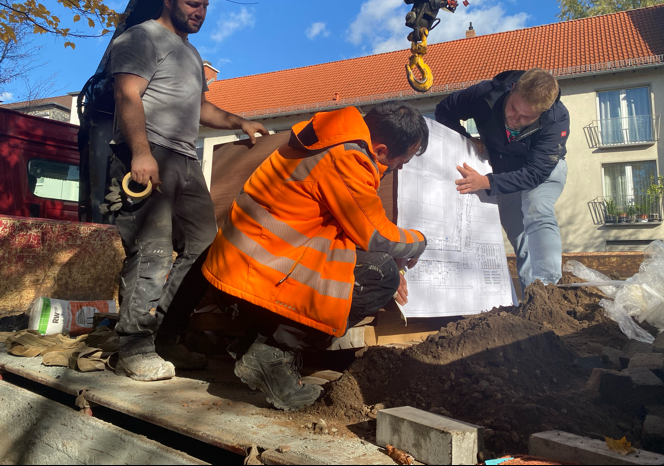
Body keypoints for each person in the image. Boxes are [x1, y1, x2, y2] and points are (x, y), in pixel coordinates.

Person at [200, 101, 429, 411]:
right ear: (381, 150)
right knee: (380, 273)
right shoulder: (348, 159)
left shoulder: (330, 138)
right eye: (402, 161)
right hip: (252, 284)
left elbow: (353, 226)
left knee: (370, 262)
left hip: (240, 273)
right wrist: (420, 242)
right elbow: (379, 236)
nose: (399, 168)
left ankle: (254, 342)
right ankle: (272, 355)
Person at [107, 0, 268, 381]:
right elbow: (127, 93)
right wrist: (141, 153)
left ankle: (166, 336)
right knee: (153, 249)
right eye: (192, 4)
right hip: (147, 153)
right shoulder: (141, 38)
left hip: (185, 159)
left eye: (204, 6)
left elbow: (199, 109)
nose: (199, 12)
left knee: (206, 246)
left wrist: (239, 121)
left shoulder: (192, 55)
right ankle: (133, 347)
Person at [434, 69, 569, 297]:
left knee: (537, 208)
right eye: (513, 108)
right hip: (504, 173)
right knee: (521, 239)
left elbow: (535, 173)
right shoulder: (485, 94)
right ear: (512, 88)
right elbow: (444, 111)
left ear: (544, 110)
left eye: (526, 117)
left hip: (542, 173)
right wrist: (466, 138)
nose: (515, 118)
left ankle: (549, 291)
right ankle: (534, 300)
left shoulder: (557, 119)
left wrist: (486, 181)